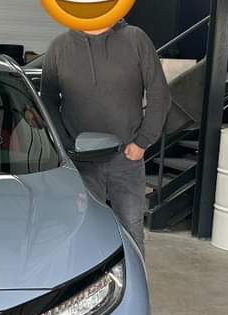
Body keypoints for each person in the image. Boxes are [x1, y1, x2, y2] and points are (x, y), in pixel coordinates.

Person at [40, 20, 170, 262]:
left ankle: (132, 282)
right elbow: (47, 99)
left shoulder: (135, 38)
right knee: (81, 229)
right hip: (80, 162)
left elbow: (159, 93)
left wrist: (142, 142)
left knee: (130, 229)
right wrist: (64, 143)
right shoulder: (60, 46)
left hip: (126, 158)